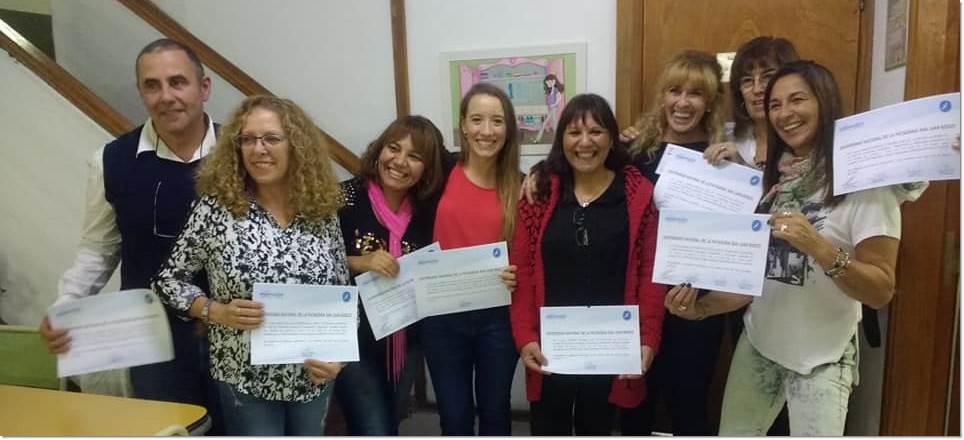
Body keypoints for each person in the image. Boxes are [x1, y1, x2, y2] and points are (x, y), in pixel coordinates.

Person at [666, 60, 904, 436]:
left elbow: (880, 291)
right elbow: (754, 281)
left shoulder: (863, 184)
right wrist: (701, 308)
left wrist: (817, 245)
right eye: (775, 104)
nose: (784, 113)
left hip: (824, 355)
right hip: (760, 344)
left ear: (825, 102)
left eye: (797, 100)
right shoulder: (774, 182)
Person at [38, 38, 222, 431]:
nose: (166, 96)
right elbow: (98, 249)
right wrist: (66, 306)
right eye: (152, 86)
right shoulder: (110, 160)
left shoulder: (246, 154)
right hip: (153, 340)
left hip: (234, 333)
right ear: (141, 92)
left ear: (204, 87)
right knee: (170, 431)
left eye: (178, 82)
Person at [151, 95, 348, 436]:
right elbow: (168, 281)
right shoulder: (216, 209)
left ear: (296, 146)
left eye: (271, 138)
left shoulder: (320, 210)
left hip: (311, 375)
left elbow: (341, 293)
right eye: (248, 139)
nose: (258, 149)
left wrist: (338, 358)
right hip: (243, 376)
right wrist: (215, 311)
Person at [510, 93, 664, 435]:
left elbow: (650, 273)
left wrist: (648, 338)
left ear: (611, 138)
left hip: (610, 345)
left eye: (595, 131)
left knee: (598, 427)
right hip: (552, 347)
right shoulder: (540, 193)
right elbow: (523, 271)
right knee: (548, 428)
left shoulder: (637, 195)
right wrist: (524, 336)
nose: (584, 142)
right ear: (561, 139)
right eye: (574, 132)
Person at [617, 49, 727, 436]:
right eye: (674, 90)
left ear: (710, 102)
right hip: (636, 296)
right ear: (662, 95)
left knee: (689, 404)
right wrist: (539, 174)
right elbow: (580, 172)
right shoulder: (633, 151)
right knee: (634, 403)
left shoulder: (721, 159)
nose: (682, 102)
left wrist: (740, 168)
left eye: (695, 93)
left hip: (695, 299)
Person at [420, 82, 522, 435]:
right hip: (442, 317)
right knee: (455, 415)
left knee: (496, 411)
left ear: (508, 129)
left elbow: (531, 252)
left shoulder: (522, 185)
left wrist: (517, 273)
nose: (486, 131)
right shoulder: (438, 172)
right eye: (477, 119)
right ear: (463, 125)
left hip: (498, 318)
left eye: (497, 121)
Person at [334, 115, 445, 435]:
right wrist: (360, 261)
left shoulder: (427, 209)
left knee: (390, 420)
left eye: (414, 156)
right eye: (393, 149)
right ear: (379, 150)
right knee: (375, 428)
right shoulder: (344, 198)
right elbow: (312, 263)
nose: (399, 162)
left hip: (405, 338)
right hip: (353, 338)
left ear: (427, 167)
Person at [702, 36, 800, 170]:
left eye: (768, 77)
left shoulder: (806, 141)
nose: (757, 89)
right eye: (747, 80)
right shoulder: (725, 138)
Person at [533, 73, 565, 143]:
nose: (548, 84)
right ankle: (538, 139)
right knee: (547, 124)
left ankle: (538, 139)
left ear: (554, 81)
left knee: (552, 125)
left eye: (550, 82)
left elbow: (559, 97)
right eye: (547, 83)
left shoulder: (555, 90)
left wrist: (555, 103)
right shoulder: (551, 90)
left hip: (554, 109)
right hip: (552, 108)